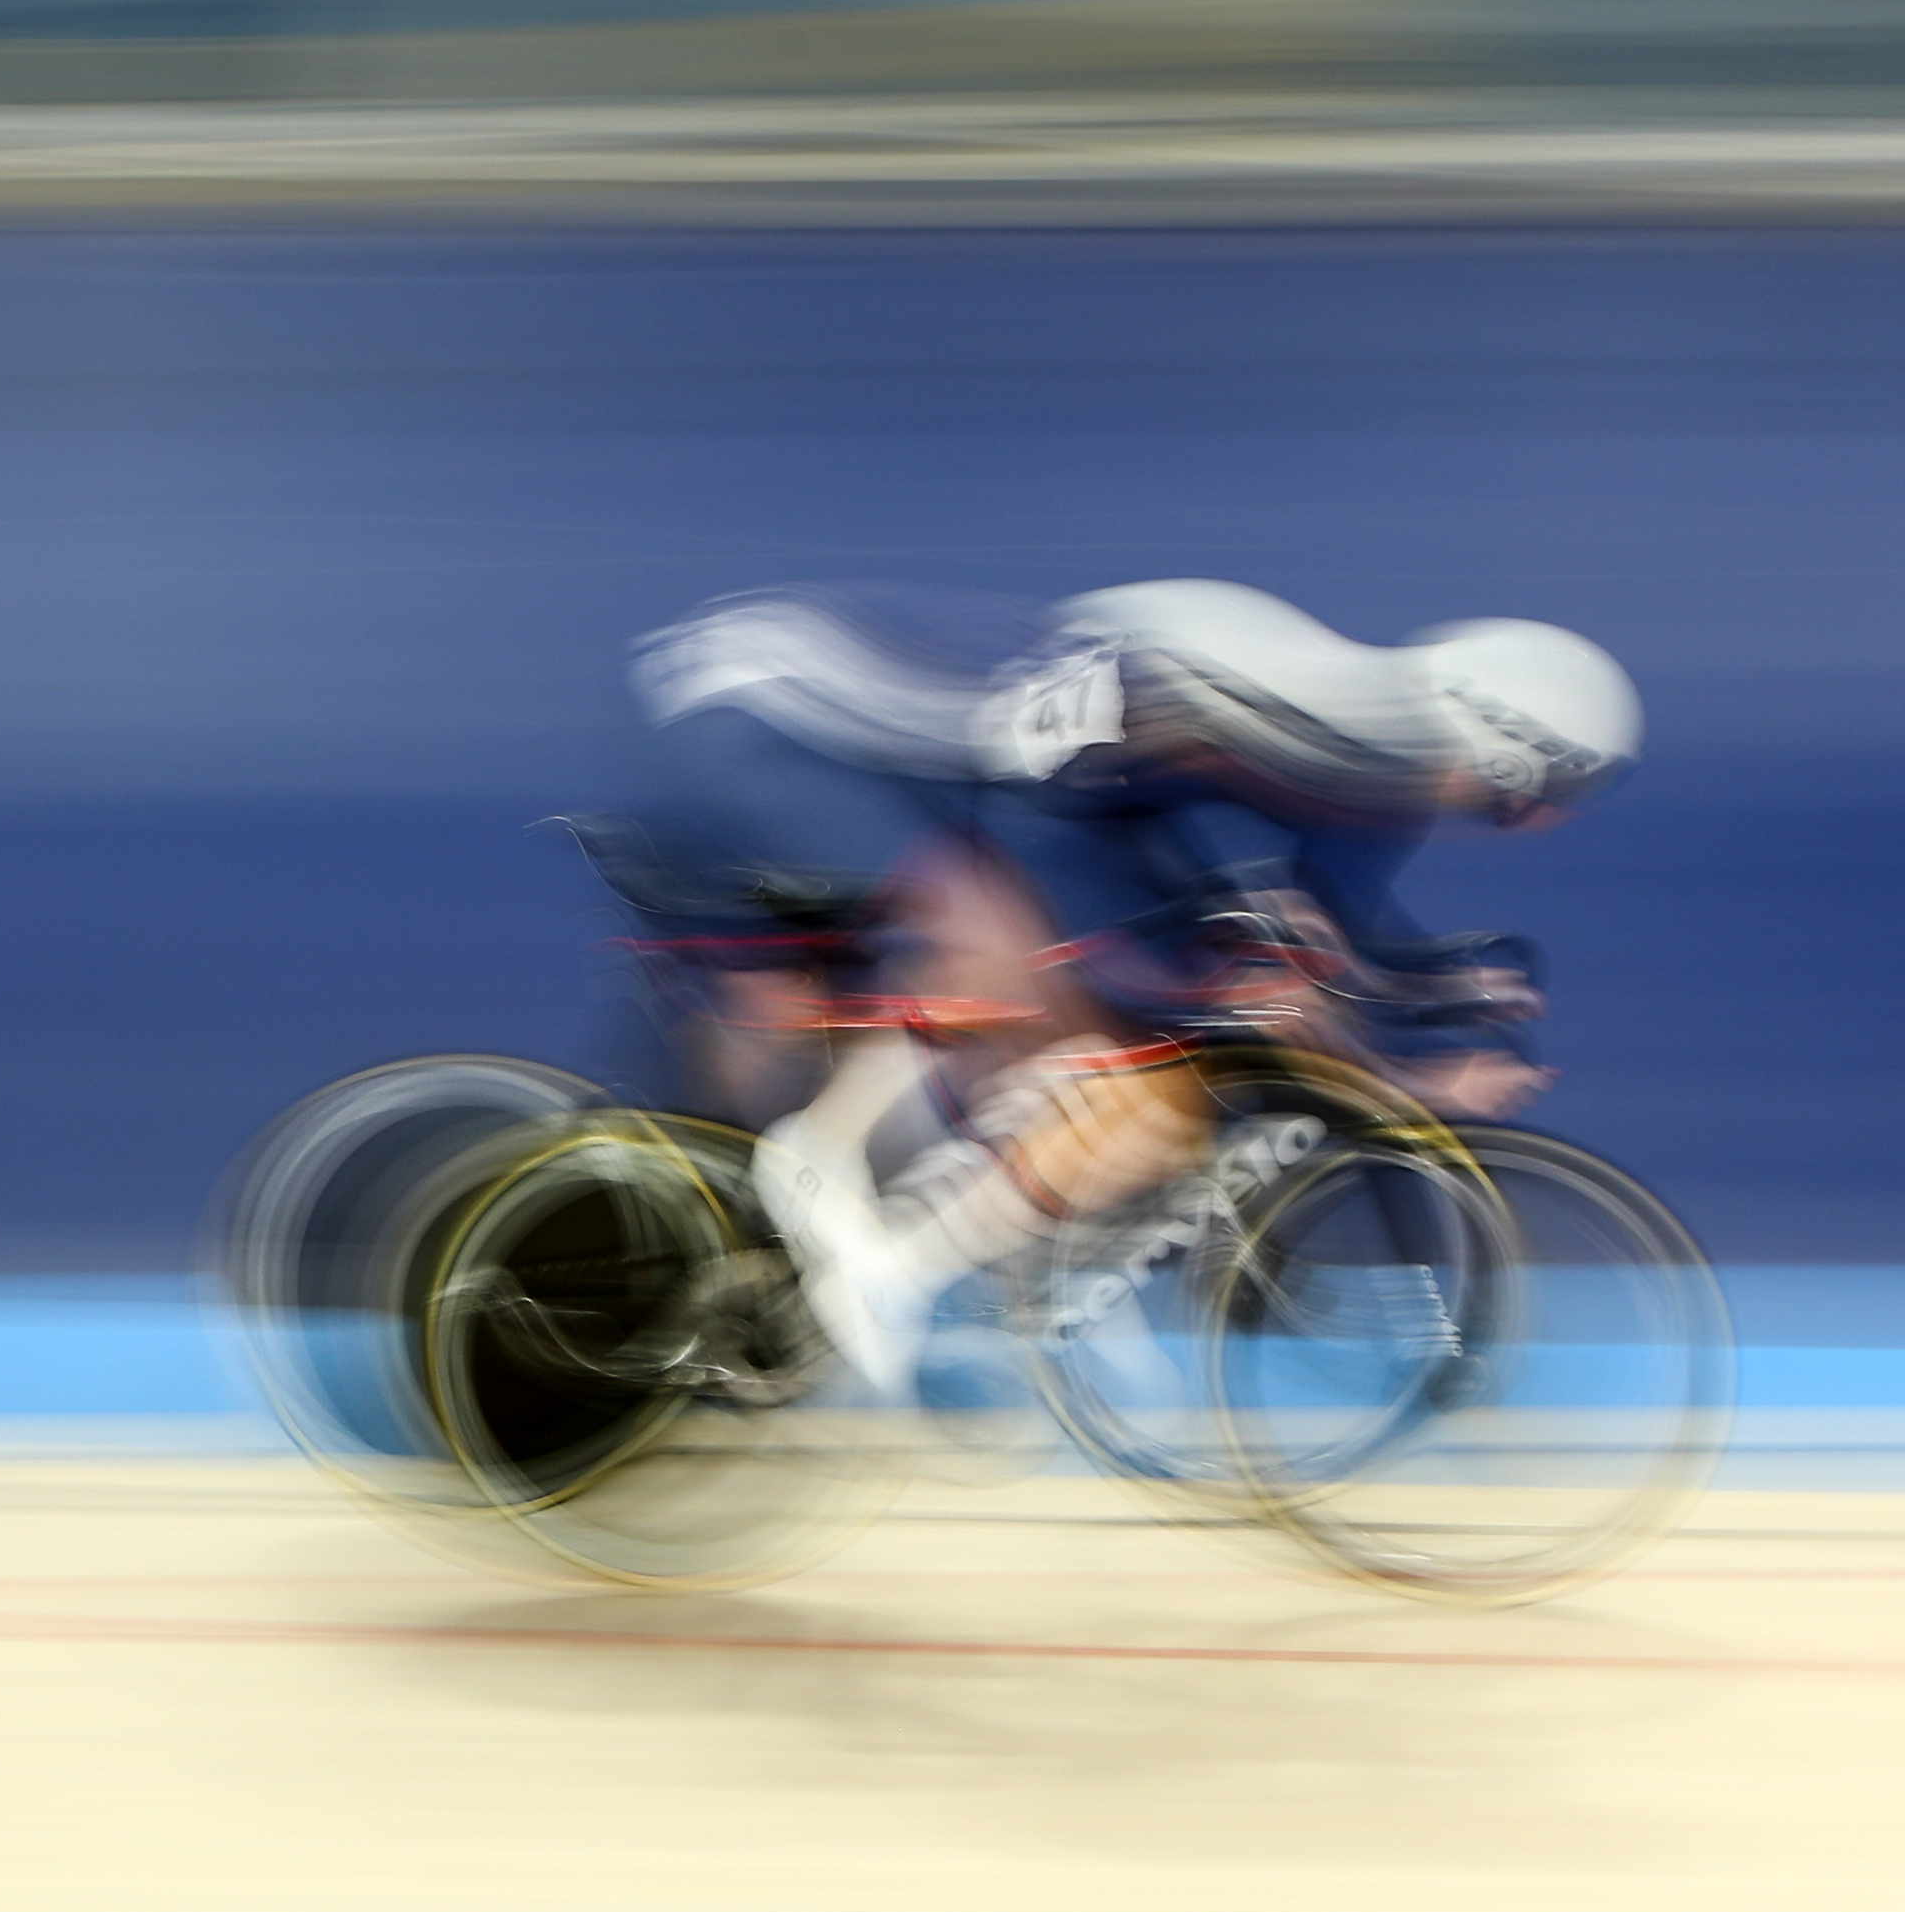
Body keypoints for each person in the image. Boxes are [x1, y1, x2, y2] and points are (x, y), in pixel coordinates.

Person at [588, 576, 1641, 1390]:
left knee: (1172, 1024)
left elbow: (1337, 953)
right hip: (808, 725)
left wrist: (1434, 1011)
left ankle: (927, 1214)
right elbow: (1093, 838)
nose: (1522, 821)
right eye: (1535, 796)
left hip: (1055, 781)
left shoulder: (1390, 770)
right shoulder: (1341, 732)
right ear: (1506, 741)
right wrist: (1401, 1070)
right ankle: (861, 1217)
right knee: (1054, 986)